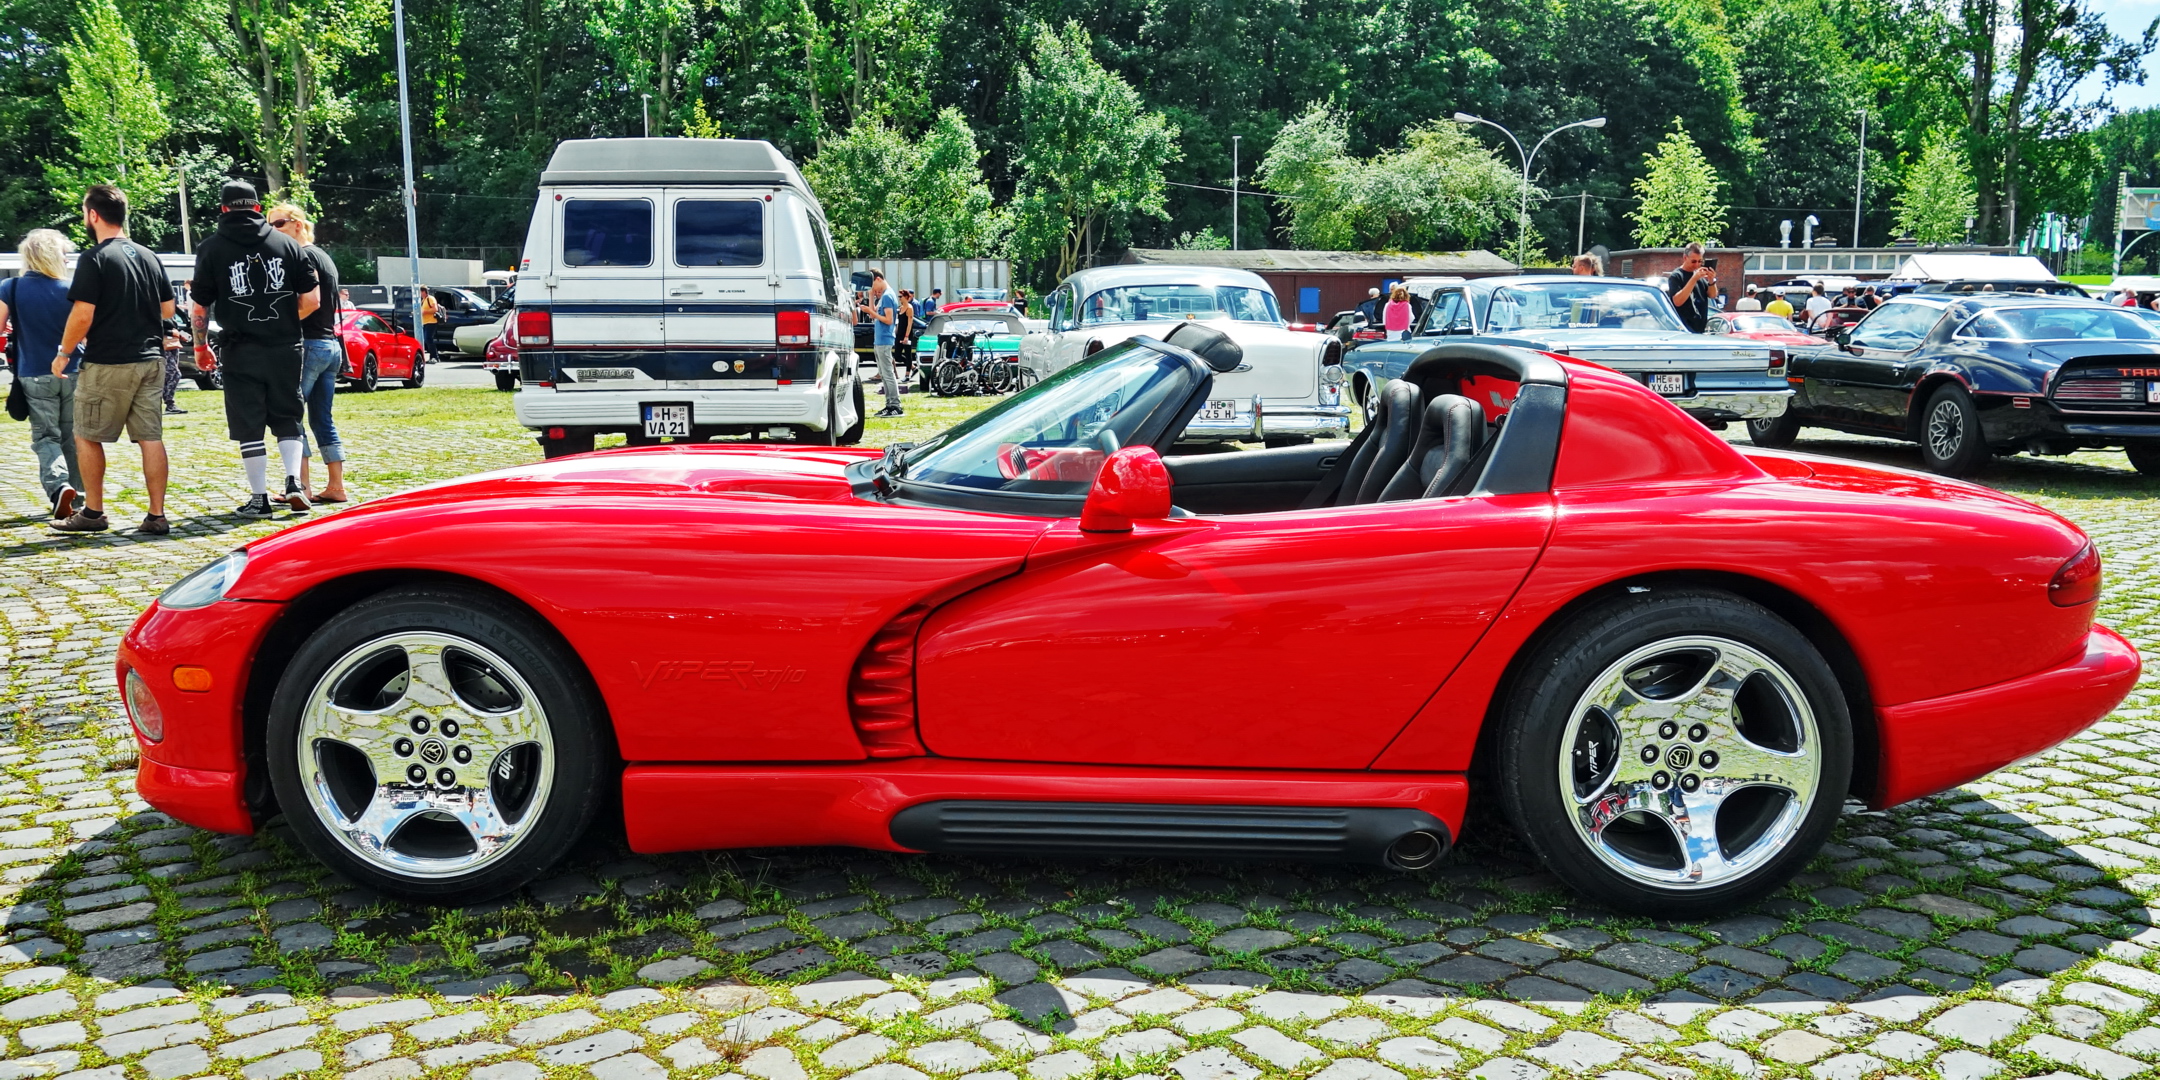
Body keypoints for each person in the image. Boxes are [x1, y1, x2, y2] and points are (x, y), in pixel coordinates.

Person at [190, 180, 320, 518]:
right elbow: (312, 300)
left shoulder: (211, 248)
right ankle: (294, 483)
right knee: (288, 415)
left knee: (248, 423)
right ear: (258, 208)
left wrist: (200, 347)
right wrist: (282, 324)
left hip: (240, 348)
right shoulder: (289, 246)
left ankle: (259, 498)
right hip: (284, 347)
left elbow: (200, 307)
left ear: (223, 209)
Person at [51, 185, 174, 535]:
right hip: (151, 359)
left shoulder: (96, 258)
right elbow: (167, 308)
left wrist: (63, 353)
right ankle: (156, 515)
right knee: (150, 437)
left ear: (93, 215)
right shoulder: (149, 255)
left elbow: (83, 313)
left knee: (86, 435)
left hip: (109, 361)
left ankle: (93, 512)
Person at [0, 229, 85, 520]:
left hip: (33, 373)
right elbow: (87, 332)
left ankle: (59, 485)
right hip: (73, 370)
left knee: (46, 436)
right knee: (73, 436)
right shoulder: (71, 289)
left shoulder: (10, 288)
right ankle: (79, 497)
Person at [269, 204, 349, 504]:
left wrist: (282, 325)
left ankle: (301, 487)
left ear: (298, 225)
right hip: (329, 345)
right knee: (322, 419)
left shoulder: (302, 256)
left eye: (277, 224)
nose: (271, 231)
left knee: (291, 416)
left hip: (309, 344)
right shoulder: (325, 256)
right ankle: (336, 486)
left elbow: (310, 302)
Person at [858, 270, 902, 418]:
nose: (874, 289)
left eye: (873, 285)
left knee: (888, 374)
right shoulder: (884, 296)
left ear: (878, 279)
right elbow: (873, 314)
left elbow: (888, 320)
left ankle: (895, 405)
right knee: (884, 374)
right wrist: (870, 296)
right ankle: (889, 405)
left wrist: (872, 311)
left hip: (885, 339)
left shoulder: (888, 296)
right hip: (880, 340)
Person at [1664, 242, 1717, 333]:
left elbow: (1712, 295)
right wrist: (1694, 279)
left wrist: (1711, 280)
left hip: (1700, 328)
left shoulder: (1699, 276)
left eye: (1700, 261)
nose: (1697, 265)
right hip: (1683, 329)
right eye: (1693, 261)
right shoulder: (1676, 276)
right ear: (1685, 258)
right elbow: (1677, 301)